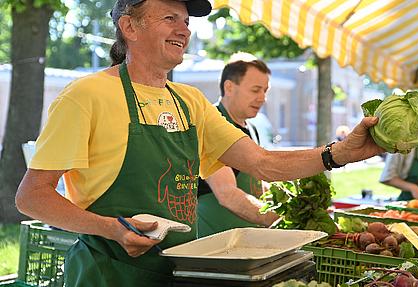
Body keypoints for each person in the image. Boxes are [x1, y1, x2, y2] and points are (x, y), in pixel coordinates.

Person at [14, 0, 384, 285]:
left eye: (187, 22)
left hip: (180, 269)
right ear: (129, 26)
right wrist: (112, 228)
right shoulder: (86, 95)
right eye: (170, 18)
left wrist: (339, 154)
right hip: (107, 273)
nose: (184, 30)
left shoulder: (188, 101)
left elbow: (262, 163)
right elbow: (32, 197)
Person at [196, 52, 278, 237]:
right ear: (229, 87)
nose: (263, 98)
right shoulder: (211, 124)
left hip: (244, 239)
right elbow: (227, 194)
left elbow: (257, 183)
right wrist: (280, 218)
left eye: (265, 91)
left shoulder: (251, 127)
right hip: (213, 238)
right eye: (256, 90)